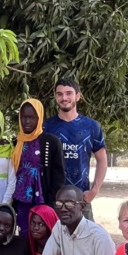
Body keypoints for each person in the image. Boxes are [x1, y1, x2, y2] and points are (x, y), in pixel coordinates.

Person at [43, 77, 107, 218]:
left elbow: (102, 159)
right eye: (59, 94)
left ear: (78, 96)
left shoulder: (91, 126)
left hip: (81, 200)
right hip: (53, 201)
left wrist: (94, 191)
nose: (64, 98)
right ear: (55, 97)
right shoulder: (46, 127)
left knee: (85, 239)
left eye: (69, 93)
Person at [11, 98, 65, 237]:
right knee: (24, 237)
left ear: (39, 118)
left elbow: (58, 177)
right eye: (23, 117)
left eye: (31, 117)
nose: (27, 121)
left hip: (43, 201)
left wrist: (50, 204)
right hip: (22, 202)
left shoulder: (51, 142)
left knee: (44, 239)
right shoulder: (16, 142)